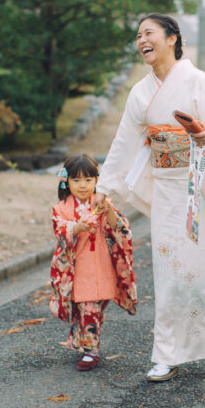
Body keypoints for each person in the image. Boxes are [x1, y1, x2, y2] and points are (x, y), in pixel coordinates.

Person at [93, 13, 205, 381]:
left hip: (199, 185)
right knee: (168, 273)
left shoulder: (199, 82)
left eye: (148, 33)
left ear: (172, 38)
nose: (141, 40)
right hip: (166, 188)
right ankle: (167, 352)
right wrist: (104, 187)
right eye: (137, 36)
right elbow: (123, 143)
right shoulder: (140, 93)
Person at [48, 154, 137, 371]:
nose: (82, 185)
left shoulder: (101, 203)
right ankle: (89, 348)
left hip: (101, 265)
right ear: (66, 181)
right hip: (77, 269)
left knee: (92, 307)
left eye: (88, 180)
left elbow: (121, 229)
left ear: (97, 181)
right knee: (85, 308)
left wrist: (108, 211)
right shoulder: (61, 208)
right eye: (76, 180)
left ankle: (89, 346)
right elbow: (60, 230)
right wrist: (76, 227)